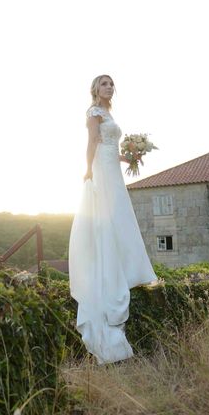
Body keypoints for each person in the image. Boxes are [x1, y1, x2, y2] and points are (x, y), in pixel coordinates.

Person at [68, 74, 158, 365]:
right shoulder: (94, 112)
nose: (109, 87)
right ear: (95, 89)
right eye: (104, 83)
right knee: (107, 215)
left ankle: (127, 265)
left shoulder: (109, 113)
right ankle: (109, 267)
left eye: (111, 84)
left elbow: (110, 147)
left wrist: (129, 157)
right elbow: (93, 142)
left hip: (113, 168)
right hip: (101, 169)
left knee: (120, 214)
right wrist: (88, 171)